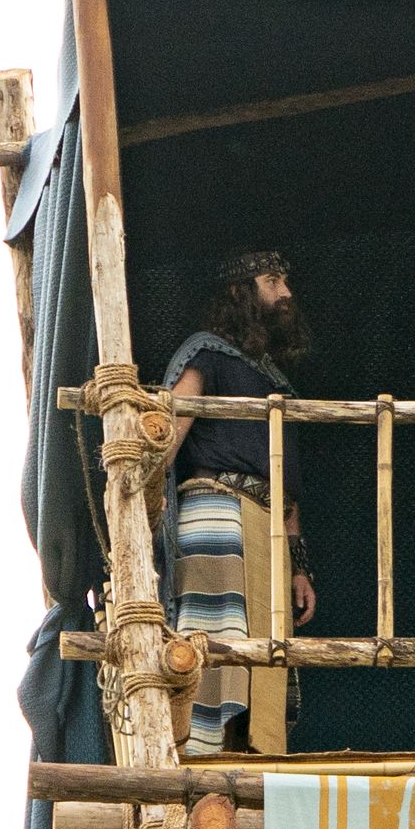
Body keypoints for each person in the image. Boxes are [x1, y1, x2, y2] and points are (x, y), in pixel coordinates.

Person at [158, 251, 320, 755]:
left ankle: (245, 769)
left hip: (268, 524)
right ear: (239, 292)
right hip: (216, 512)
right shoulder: (204, 352)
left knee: (262, 663)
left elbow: (286, 486)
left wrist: (299, 567)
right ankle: (200, 763)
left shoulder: (273, 378)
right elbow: (166, 438)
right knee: (214, 653)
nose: (287, 293)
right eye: (274, 280)